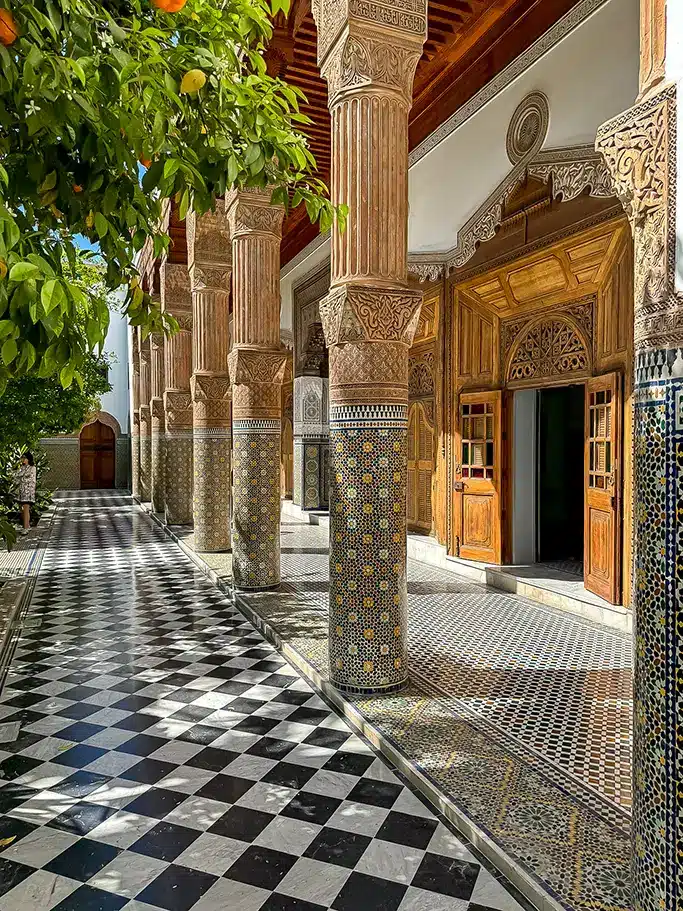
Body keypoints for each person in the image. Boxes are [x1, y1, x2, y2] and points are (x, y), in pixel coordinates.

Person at [14, 452, 36, 535]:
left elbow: (30, 478)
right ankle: (27, 525)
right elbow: (16, 476)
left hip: (28, 492)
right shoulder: (21, 468)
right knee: (23, 509)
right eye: (22, 458)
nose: (23, 459)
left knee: (26, 508)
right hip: (21, 492)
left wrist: (21, 478)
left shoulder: (32, 468)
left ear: (28, 459)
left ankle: (25, 527)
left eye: (25, 458)